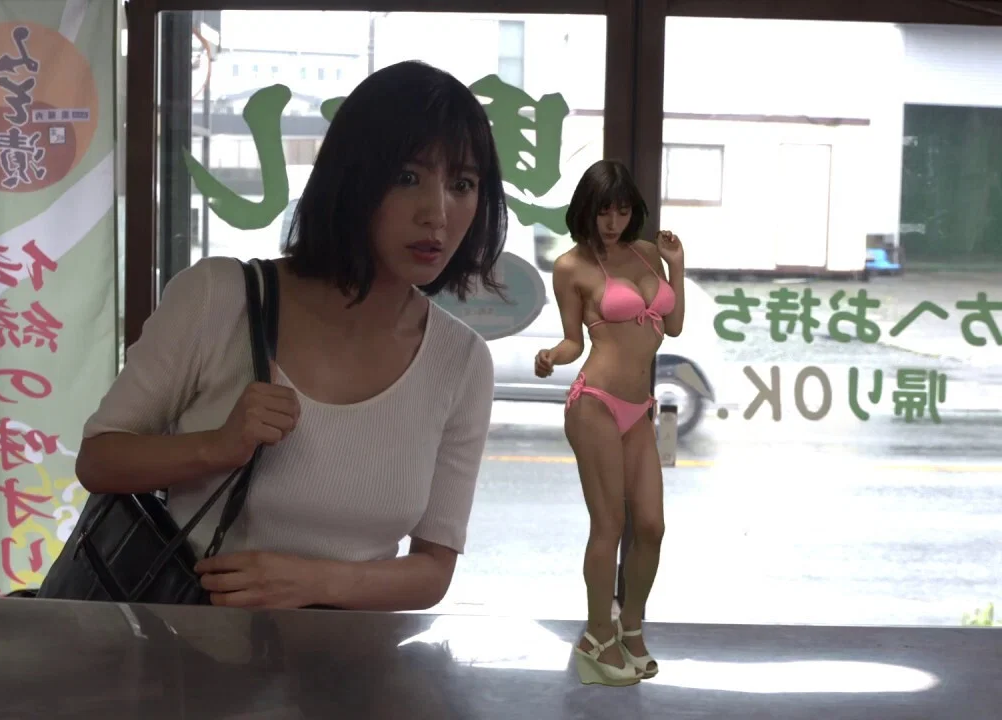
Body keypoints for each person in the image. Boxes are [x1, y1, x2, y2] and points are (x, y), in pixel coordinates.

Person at [73, 60, 506, 612]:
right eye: (406, 177)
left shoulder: (461, 360)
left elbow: (432, 569)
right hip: (188, 645)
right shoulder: (218, 297)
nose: (437, 214)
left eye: (462, 184)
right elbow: (99, 461)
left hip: (351, 659)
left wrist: (315, 583)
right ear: (352, 178)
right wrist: (217, 447)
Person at [533, 159, 685, 686]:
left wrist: (677, 266)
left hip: (639, 408)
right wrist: (551, 356)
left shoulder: (646, 253)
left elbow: (674, 326)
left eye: (621, 210)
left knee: (651, 526)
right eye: (603, 211)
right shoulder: (571, 267)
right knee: (610, 525)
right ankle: (597, 637)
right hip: (595, 402)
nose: (613, 222)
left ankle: (631, 627)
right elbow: (573, 340)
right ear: (587, 211)